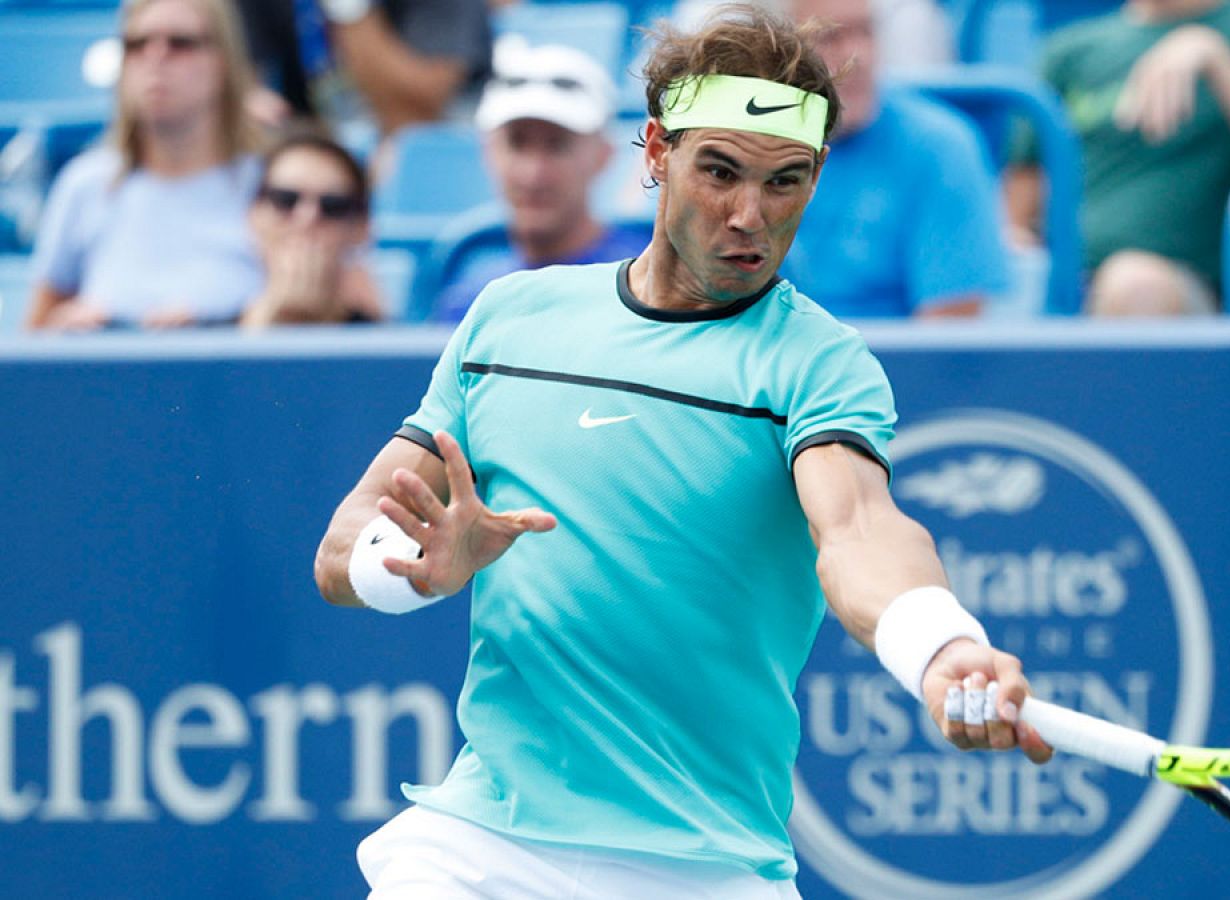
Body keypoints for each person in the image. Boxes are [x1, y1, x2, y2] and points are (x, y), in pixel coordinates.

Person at [312, 6, 1052, 896]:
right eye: (719, 171)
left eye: (785, 182)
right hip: (482, 846)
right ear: (657, 152)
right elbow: (340, 549)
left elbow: (860, 534)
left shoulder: (818, 364)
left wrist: (939, 649)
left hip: (703, 863)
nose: (750, 216)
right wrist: (415, 566)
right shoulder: (509, 318)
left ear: (816, 176)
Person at [1006, 0, 1230, 316]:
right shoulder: (1067, 51)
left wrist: (1215, 57)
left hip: (1201, 294)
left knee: (1135, 284)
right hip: (1065, 288)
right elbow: (1016, 213)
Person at [27, 0, 265, 331]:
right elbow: (32, 343)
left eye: (180, 43)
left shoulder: (278, 187)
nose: (156, 58)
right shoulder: (84, 184)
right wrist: (65, 328)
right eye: (136, 45)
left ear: (224, 63)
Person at [780, 0, 1009, 319]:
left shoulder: (941, 146)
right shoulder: (735, 145)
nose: (858, 57)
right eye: (829, 38)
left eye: (866, 32)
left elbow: (949, 339)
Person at [432, 43, 651, 323]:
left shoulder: (648, 286)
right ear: (488, 153)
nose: (533, 173)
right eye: (517, 143)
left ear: (603, 155)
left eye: (557, 146)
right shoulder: (470, 302)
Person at [234, 0, 491, 141]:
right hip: (309, 138)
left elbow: (418, 115)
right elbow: (245, 77)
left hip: (438, 137)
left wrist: (351, 8)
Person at [239, 131, 384, 327]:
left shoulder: (382, 340)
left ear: (362, 227)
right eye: (286, 200)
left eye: (332, 206)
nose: (307, 218)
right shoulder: (204, 324)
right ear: (253, 213)